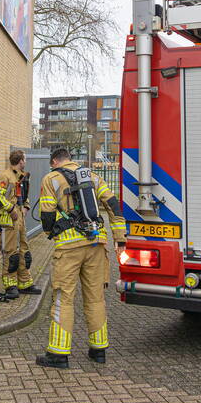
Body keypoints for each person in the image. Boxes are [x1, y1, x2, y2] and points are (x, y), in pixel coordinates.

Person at [36, 147, 126, 369]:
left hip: (68, 247)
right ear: (71, 159)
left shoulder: (51, 178)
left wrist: (50, 234)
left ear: (55, 161)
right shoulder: (93, 176)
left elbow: (47, 214)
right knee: (95, 297)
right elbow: (113, 206)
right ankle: (99, 350)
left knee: (63, 297)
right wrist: (120, 238)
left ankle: (58, 354)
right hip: (97, 243)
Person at [0, 150, 41, 300]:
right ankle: (10, 286)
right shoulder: (5, 176)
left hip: (20, 219)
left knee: (24, 251)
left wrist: (26, 206)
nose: (25, 162)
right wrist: (11, 209)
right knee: (11, 254)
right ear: (20, 161)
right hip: (8, 221)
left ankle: (24, 283)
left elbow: (24, 196)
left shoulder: (22, 176)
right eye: (24, 160)